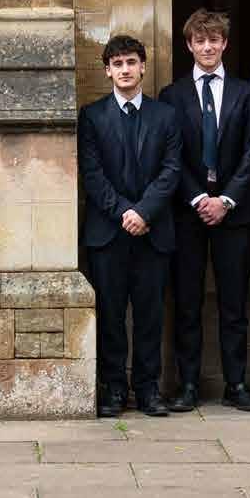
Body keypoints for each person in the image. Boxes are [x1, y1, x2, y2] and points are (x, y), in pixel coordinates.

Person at [158, 9, 250, 412]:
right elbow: (171, 155)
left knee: (234, 304)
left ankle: (236, 383)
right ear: (189, 45)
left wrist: (226, 199)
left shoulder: (246, 94)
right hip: (188, 213)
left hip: (235, 213)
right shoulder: (172, 96)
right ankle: (188, 384)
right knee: (187, 302)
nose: (207, 47)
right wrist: (198, 198)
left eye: (214, 40)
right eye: (200, 41)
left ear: (225, 44)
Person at [80, 35, 184, 417]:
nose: (125, 70)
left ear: (143, 67)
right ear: (107, 70)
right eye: (117, 64)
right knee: (110, 315)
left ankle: (148, 389)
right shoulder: (92, 116)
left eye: (131, 62)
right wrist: (125, 212)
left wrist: (144, 213)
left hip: (153, 232)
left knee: (150, 316)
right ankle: (113, 388)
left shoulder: (166, 116)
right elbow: (92, 174)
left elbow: (171, 171)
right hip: (108, 233)